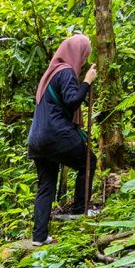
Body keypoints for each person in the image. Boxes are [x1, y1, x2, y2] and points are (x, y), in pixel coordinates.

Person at [28, 33, 98, 244]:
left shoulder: (50, 74)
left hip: (37, 139)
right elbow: (71, 101)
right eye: (84, 55)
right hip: (55, 135)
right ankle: (79, 209)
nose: (84, 60)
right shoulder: (66, 72)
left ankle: (39, 237)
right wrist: (86, 82)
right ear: (78, 53)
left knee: (46, 185)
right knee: (89, 161)